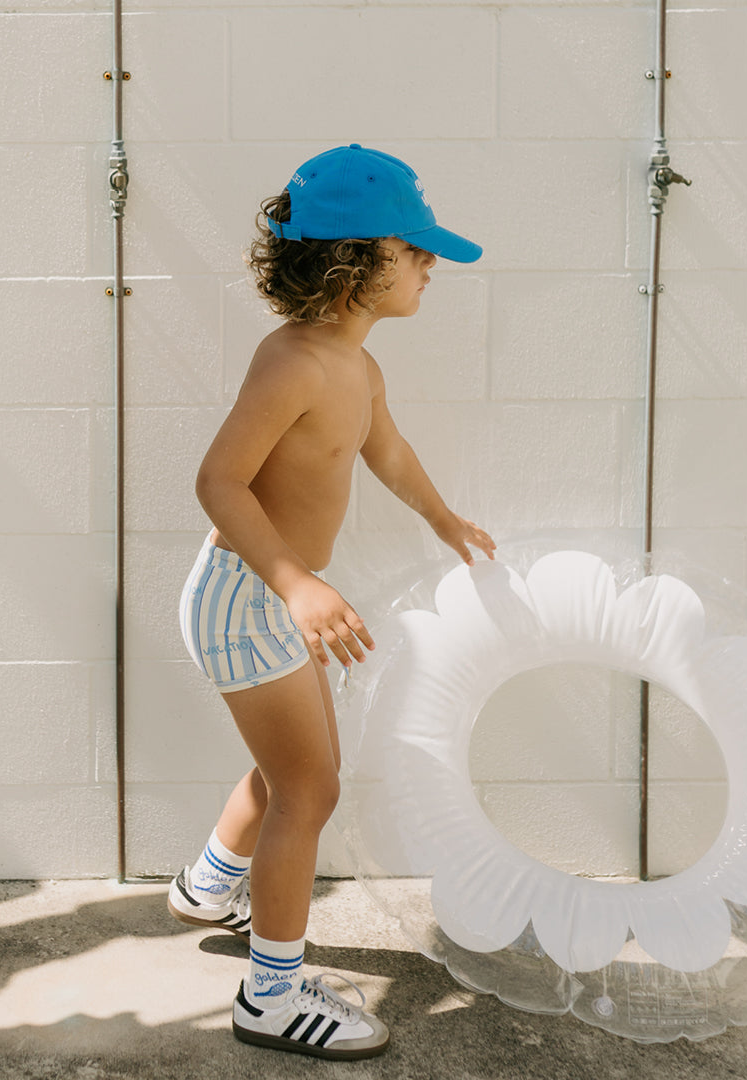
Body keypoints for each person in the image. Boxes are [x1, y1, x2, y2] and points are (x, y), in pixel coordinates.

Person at [168, 143, 496, 1061]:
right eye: (415, 250)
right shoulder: (295, 364)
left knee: (293, 773)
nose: (430, 264)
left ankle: (207, 886)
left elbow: (384, 451)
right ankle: (270, 998)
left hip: (267, 597)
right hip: (248, 596)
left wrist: (443, 518)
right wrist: (299, 583)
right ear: (355, 263)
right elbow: (220, 483)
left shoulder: (358, 364)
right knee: (309, 788)